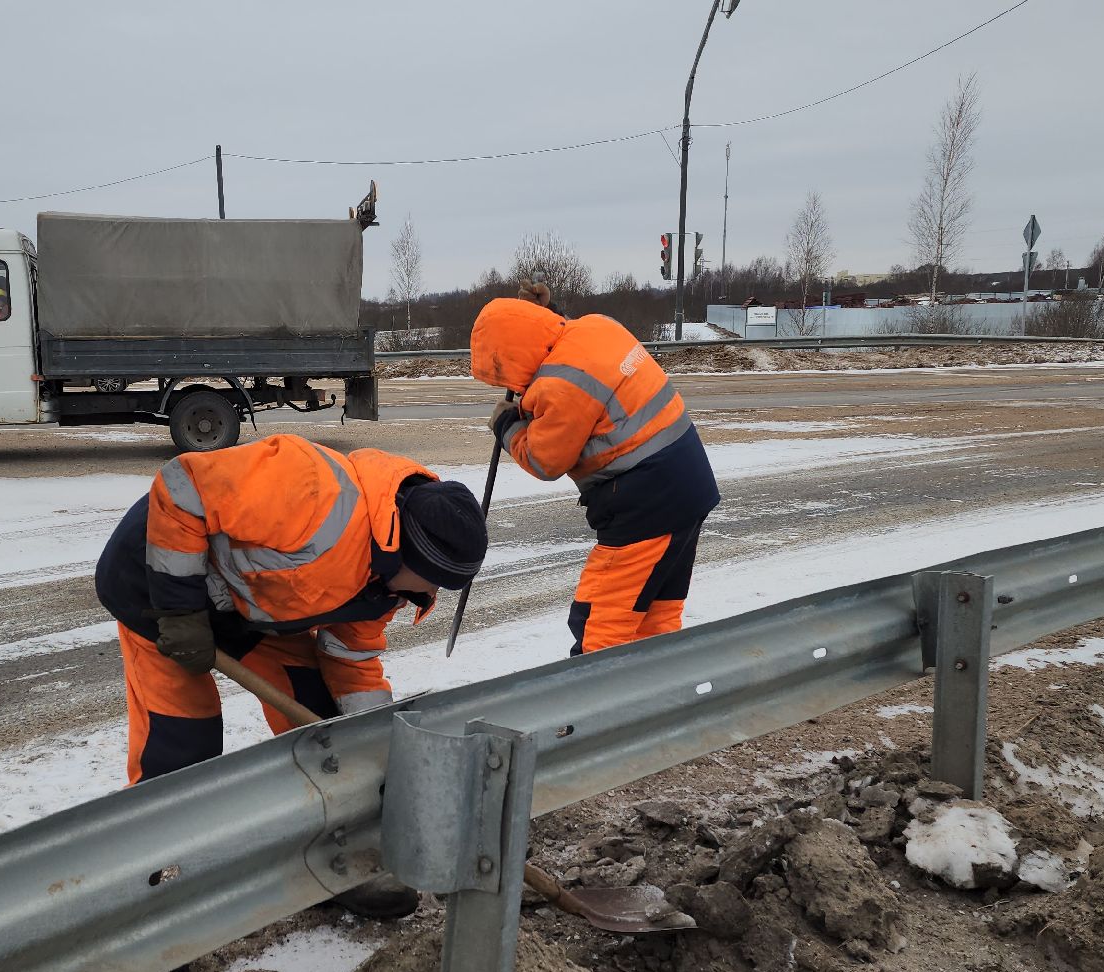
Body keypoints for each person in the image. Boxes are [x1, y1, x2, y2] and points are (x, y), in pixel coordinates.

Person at [94, 433, 487, 917]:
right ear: (409, 554)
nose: (430, 593)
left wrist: (375, 742)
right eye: (434, 580)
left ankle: (330, 866)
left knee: (327, 735)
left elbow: (353, 660)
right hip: (158, 592)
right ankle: (148, 905)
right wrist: (178, 611)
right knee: (181, 747)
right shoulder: (314, 491)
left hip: (256, 611)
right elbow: (182, 486)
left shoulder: (385, 585)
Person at [469, 282, 718, 656]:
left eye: (502, 373)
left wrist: (507, 426)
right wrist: (541, 315)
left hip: (646, 506)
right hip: (688, 488)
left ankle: (594, 710)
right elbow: (553, 335)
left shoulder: (561, 386)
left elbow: (545, 460)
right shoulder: (597, 326)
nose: (510, 385)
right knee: (653, 618)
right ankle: (663, 705)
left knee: (600, 627)